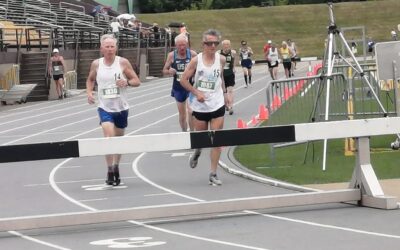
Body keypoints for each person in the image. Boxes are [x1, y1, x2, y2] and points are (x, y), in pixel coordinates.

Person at [86, 34, 141, 186]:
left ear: (116, 48)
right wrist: (89, 93)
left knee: (118, 140)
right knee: (108, 137)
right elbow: (90, 79)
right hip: (104, 107)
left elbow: (137, 81)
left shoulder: (123, 62)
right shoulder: (96, 64)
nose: (110, 49)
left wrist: (127, 82)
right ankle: (109, 170)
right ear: (101, 49)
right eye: (107, 47)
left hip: (121, 108)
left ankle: (116, 166)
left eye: (112, 46)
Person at [180, 29, 227, 186]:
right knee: (201, 140)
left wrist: (225, 94)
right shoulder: (196, 61)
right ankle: (198, 151)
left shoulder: (221, 59)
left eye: (215, 43)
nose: (212, 46)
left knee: (216, 139)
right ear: (203, 44)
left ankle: (213, 173)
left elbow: (220, 78)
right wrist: (196, 92)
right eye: (209, 43)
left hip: (217, 103)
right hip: (200, 106)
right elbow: (183, 80)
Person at [162, 34, 197, 132]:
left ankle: (192, 133)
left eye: (184, 45)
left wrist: (194, 73)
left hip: (190, 87)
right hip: (178, 88)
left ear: (187, 44)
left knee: (191, 111)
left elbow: (199, 69)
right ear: (175, 45)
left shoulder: (193, 54)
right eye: (179, 45)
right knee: (182, 115)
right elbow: (164, 70)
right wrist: (169, 71)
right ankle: (184, 132)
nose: (182, 47)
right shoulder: (172, 55)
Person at [219, 39, 236, 115]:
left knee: (230, 90)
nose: (226, 46)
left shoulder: (232, 52)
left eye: (227, 44)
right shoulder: (218, 53)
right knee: (224, 91)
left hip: (230, 73)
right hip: (222, 74)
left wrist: (234, 68)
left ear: (230, 45)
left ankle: (231, 106)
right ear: (222, 45)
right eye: (225, 44)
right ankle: (226, 104)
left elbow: (234, 60)